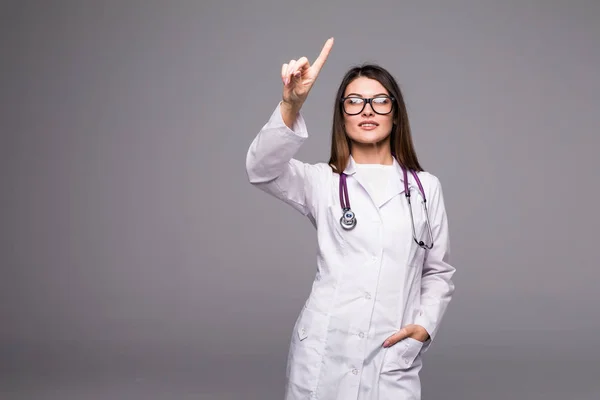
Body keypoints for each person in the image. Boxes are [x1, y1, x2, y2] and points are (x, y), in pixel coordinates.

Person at [245, 38, 456, 400]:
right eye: (354, 101)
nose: (367, 110)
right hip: (325, 351)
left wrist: (424, 326)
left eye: (380, 101)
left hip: (390, 359)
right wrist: (290, 106)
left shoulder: (426, 188)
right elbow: (261, 169)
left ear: (395, 112)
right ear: (342, 115)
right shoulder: (321, 181)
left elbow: (437, 272)